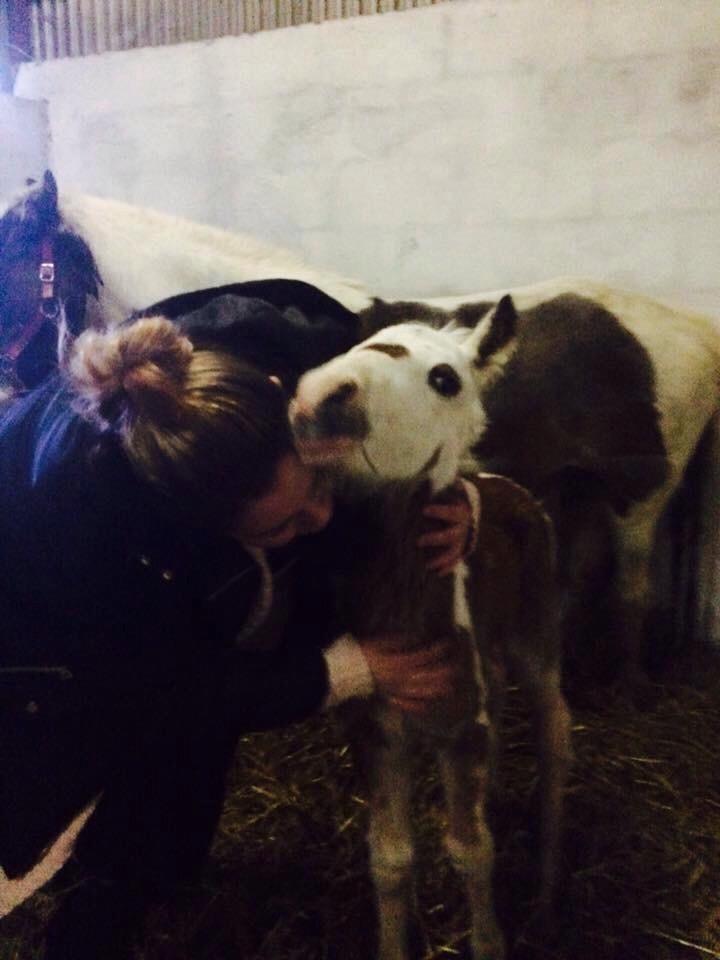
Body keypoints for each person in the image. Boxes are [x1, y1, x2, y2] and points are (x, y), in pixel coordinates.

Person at [0, 313, 472, 959]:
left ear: (288, 400)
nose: (324, 514)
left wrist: (464, 496)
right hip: (33, 631)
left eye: (318, 482)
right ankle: (107, 901)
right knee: (129, 744)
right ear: (199, 527)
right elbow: (175, 687)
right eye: (282, 526)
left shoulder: (290, 357)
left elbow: (442, 398)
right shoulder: (87, 536)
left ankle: (173, 869)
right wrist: (350, 668)